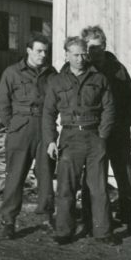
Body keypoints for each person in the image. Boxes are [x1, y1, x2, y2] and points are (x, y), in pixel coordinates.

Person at [43, 37, 116, 245]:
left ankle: (102, 232)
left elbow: (109, 108)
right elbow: (48, 113)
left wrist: (102, 136)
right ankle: (64, 231)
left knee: (99, 187)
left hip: (94, 137)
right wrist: (50, 140)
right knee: (66, 187)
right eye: (75, 54)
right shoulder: (56, 81)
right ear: (66, 54)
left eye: (83, 54)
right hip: (70, 137)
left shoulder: (99, 78)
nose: (80, 59)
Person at [0, 33, 56, 239]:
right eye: (39, 51)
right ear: (28, 50)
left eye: (45, 51)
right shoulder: (12, 73)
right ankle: (9, 221)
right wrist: (12, 125)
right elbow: (2, 104)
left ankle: (47, 218)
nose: (43, 55)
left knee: (46, 174)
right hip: (20, 129)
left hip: (45, 128)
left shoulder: (51, 74)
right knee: (15, 176)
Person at [80, 25, 131, 234]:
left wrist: (125, 123)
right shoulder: (83, 69)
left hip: (118, 132)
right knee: (95, 177)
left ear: (104, 46)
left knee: (124, 175)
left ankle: (129, 218)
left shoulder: (117, 69)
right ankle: (91, 219)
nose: (93, 52)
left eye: (97, 47)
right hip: (93, 133)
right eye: (89, 47)